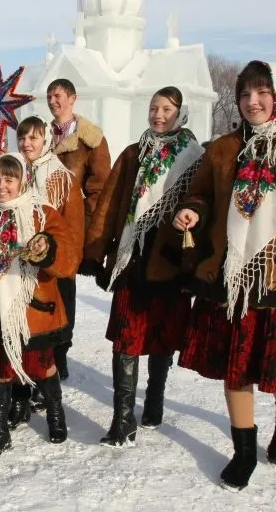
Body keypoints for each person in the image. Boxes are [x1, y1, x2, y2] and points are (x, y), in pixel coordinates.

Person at [173, 61, 276, 491]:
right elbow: (202, 193)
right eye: (245, 94)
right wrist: (192, 209)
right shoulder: (223, 149)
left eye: (262, 93)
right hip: (229, 279)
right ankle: (244, 450)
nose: (252, 102)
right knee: (237, 371)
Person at [82, 87, 204, 447]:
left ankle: (154, 399)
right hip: (132, 257)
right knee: (126, 336)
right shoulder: (133, 153)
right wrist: (95, 251)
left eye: (167, 109)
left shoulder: (194, 156)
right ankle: (123, 419)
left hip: (170, 261)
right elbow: (109, 203)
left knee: (163, 333)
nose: (158, 114)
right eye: (153, 108)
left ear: (180, 113)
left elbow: (204, 205)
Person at [0, 153, 80, 458]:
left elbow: (68, 257)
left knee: (41, 366)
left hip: (35, 309)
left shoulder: (43, 213)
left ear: (23, 180)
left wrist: (47, 249)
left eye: (9, 179)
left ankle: (56, 413)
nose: (2, 186)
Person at [14, 115, 86, 420]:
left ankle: (48, 389)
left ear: (45, 140)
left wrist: (62, 261)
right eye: (23, 138)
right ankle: (24, 385)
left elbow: (73, 226)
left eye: (34, 137)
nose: (27, 144)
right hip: (19, 266)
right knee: (22, 328)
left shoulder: (60, 177)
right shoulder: (14, 170)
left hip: (51, 266)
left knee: (49, 328)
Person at [47, 78, 111, 220]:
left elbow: (99, 189)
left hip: (75, 220)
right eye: (49, 97)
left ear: (72, 99)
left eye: (57, 96)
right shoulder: (41, 136)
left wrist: (82, 222)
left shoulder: (92, 138)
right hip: (45, 220)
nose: (51, 101)